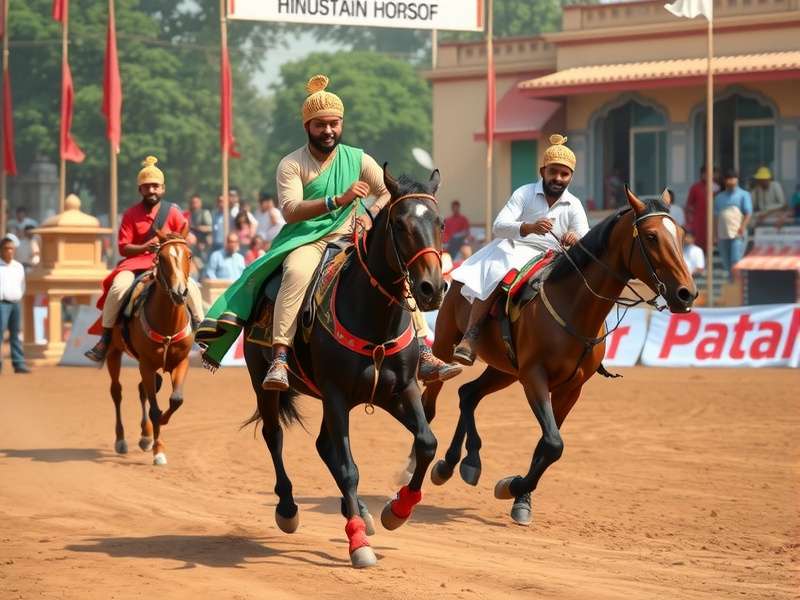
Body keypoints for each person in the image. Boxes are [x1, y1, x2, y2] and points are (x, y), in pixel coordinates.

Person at [197, 74, 458, 387]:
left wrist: (371, 215)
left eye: (334, 123)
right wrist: (339, 199)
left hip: (351, 240)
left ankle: (423, 351)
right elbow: (290, 209)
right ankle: (280, 357)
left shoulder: (357, 158)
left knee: (395, 271)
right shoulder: (291, 164)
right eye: (320, 124)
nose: (328, 130)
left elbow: (392, 191)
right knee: (295, 273)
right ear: (307, 126)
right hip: (307, 240)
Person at [451, 134, 590, 365]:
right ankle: (470, 335)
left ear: (571, 177)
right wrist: (529, 227)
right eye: (553, 171)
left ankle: (586, 344)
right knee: (497, 274)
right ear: (542, 171)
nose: (558, 178)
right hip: (516, 249)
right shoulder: (524, 193)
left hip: (554, 258)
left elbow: (586, 236)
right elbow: (498, 226)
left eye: (564, 174)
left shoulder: (574, 204)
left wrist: (576, 237)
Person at [84, 156, 205, 363]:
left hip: (167, 266)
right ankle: (105, 340)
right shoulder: (131, 214)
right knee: (118, 289)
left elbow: (183, 239)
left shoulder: (173, 213)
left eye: (155, 186)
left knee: (191, 286)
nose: (151, 190)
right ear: (140, 190)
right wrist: (144, 247)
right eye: (147, 187)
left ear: (163, 188)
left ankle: (203, 334)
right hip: (135, 265)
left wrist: (174, 248)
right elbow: (123, 247)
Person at [714, 168, 752, 281]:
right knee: (726, 263)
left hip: (737, 234)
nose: (731, 181)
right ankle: (732, 287)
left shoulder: (744, 195)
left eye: (733, 178)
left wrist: (742, 227)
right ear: (725, 181)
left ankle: (738, 288)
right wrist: (715, 235)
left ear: (737, 180)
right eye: (728, 179)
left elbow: (748, 213)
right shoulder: (719, 197)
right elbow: (715, 217)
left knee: (735, 260)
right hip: (722, 235)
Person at [0, 234, 30, 374]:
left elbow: (22, 285)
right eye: (6, 248)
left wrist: (18, 296)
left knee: (15, 334)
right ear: (1, 250)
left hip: (15, 303)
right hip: (1, 304)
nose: (10, 251)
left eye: (12, 248)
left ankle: (19, 364)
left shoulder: (18, 266)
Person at [685, 165, 720, 253]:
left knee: (710, 244)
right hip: (698, 222)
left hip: (713, 221)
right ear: (702, 174)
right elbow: (688, 206)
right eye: (705, 174)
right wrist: (689, 221)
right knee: (698, 246)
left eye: (710, 174)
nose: (708, 176)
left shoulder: (716, 188)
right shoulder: (695, 187)